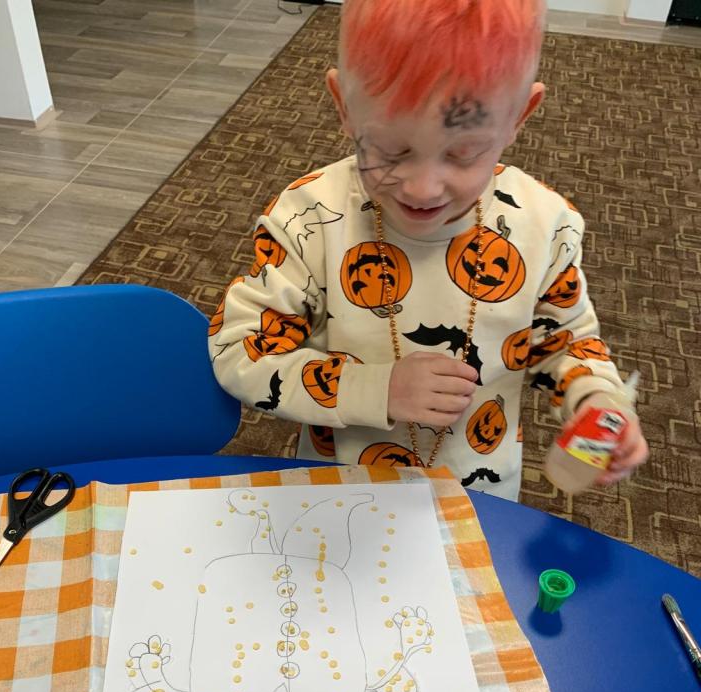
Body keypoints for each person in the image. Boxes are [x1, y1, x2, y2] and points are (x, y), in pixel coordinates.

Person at [209, 0, 648, 499]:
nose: (423, 188)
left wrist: (595, 398)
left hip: (479, 491)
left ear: (518, 117)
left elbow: (566, 343)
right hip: (339, 490)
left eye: (463, 153)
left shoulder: (546, 225)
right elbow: (238, 351)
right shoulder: (309, 219)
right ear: (344, 107)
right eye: (391, 150)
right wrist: (374, 389)